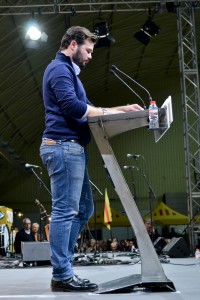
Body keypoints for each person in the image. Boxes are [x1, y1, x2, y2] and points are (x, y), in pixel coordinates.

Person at [40, 25, 143, 293]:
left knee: (83, 209)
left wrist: (117, 110)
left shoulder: (69, 73)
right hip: (63, 147)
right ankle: (62, 274)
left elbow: (86, 107)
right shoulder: (59, 69)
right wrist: (108, 111)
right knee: (65, 212)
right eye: (87, 50)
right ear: (72, 44)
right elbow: (74, 108)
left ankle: (64, 267)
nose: (90, 56)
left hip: (71, 148)